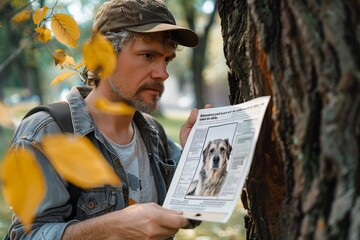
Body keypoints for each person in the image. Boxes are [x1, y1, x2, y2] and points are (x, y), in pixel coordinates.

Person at [6, 0, 204, 239]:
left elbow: (191, 215)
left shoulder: (154, 132)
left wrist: (197, 154)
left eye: (167, 59)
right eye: (148, 55)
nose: (162, 73)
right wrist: (111, 228)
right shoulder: (46, 132)